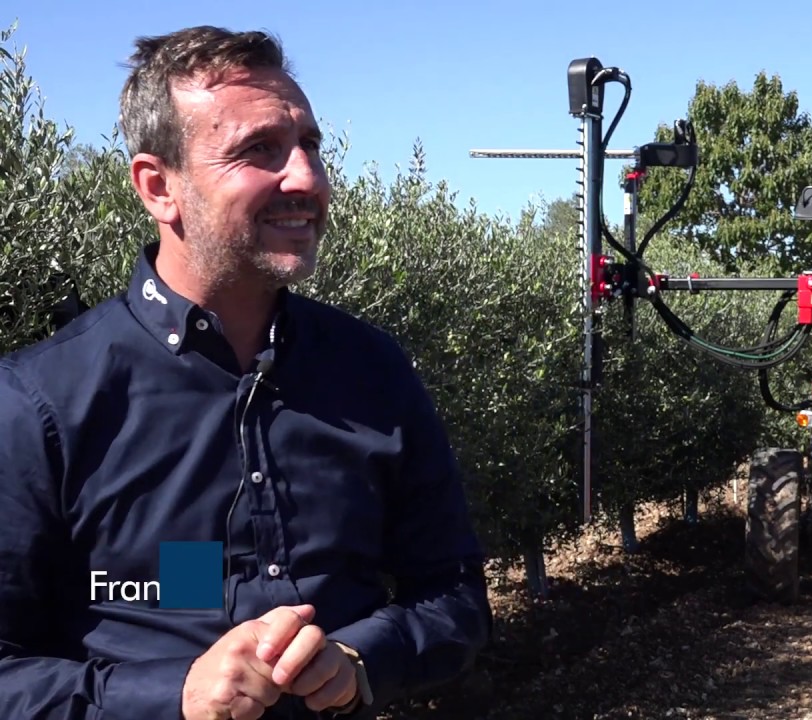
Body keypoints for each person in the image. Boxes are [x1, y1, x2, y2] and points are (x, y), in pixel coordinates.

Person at [0, 25, 492, 720]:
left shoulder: (372, 371)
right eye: (259, 149)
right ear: (158, 187)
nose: (307, 178)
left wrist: (359, 661)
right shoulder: (40, 403)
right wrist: (175, 696)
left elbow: (455, 597)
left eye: (309, 145)